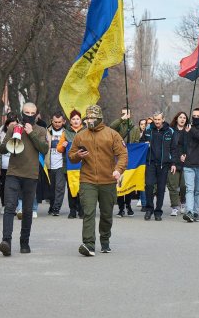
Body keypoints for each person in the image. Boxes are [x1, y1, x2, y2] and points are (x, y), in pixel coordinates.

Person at [69, 105, 128, 256]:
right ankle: (88, 244)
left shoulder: (112, 134)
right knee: (88, 212)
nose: (89, 121)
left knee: (106, 214)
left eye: (93, 118)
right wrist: (78, 156)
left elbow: (123, 154)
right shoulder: (81, 135)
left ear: (100, 118)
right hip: (87, 180)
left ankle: (105, 239)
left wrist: (118, 170)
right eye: (88, 118)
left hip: (108, 180)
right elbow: (71, 155)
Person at [0, 102, 49, 256]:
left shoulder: (40, 130)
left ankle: (24, 242)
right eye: (26, 112)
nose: (29, 115)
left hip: (31, 175)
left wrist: (31, 133)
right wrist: (14, 138)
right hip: (13, 173)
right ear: (22, 112)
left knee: (27, 210)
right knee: (10, 207)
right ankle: (6, 241)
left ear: (36, 114)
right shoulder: (13, 127)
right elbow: (1, 149)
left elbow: (44, 148)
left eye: (32, 112)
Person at [140, 111, 176, 221]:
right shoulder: (148, 130)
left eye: (159, 119)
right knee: (149, 186)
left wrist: (173, 163)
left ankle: (158, 211)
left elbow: (174, 148)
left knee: (161, 189)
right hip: (150, 163)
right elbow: (141, 144)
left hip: (163, 164)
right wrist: (144, 143)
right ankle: (149, 209)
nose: (157, 122)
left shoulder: (170, 131)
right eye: (155, 119)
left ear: (163, 119)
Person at [182, 108, 199, 223]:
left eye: (198, 116)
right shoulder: (187, 128)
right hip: (189, 163)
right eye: (194, 115)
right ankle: (189, 211)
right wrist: (182, 154)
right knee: (189, 189)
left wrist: (191, 130)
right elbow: (181, 143)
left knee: (198, 190)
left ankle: (195, 212)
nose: (196, 117)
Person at [111, 107, 140, 217]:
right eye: (122, 114)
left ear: (130, 114)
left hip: (131, 159)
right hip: (118, 158)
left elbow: (136, 144)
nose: (125, 115)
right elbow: (111, 127)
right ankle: (120, 208)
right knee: (119, 183)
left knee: (128, 183)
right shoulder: (118, 126)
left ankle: (128, 205)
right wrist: (121, 120)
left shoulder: (135, 128)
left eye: (126, 113)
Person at [56, 109, 86, 219]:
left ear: (81, 120)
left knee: (82, 188)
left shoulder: (86, 131)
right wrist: (63, 145)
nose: (76, 121)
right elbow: (58, 149)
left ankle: (82, 210)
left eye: (78, 119)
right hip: (69, 166)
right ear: (70, 121)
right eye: (73, 119)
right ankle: (72, 210)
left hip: (84, 165)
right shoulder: (65, 132)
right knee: (71, 188)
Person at [45, 112, 67, 216]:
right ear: (51, 121)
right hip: (49, 164)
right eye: (55, 122)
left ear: (63, 122)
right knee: (51, 188)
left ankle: (56, 208)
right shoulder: (46, 131)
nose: (57, 124)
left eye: (59, 122)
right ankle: (52, 205)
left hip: (61, 165)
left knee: (59, 187)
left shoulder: (67, 132)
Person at [167, 111, 188, 215]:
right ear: (176, 119)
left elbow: (192, 147)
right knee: (173, 185)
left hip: (186, 163)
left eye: (184, 118)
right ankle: (174, 206)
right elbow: (169, 148)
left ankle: (183, 202)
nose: (182, 119)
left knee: (184, 185)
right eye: (180, 117)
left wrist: (186, 154)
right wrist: (172, 163)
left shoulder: (188, 131)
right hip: (173, 162)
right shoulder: (171, 131)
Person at [0, 112, 18, 214]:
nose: (12, 126)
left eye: (15, 124)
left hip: (15, 165)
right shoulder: (1, 131)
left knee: (15, 187)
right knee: (4, 186)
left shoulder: (20, 131)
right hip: (4, 164)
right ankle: (4, 204)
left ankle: (14, 205)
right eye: (10, 124)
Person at [136, 118, 148, 209]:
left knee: (147, 183)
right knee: (141, 182)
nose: (143, 126)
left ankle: (145, 202)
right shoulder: (136, 134)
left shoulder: (149, 134)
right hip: (139, 161)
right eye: (141, 124)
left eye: (145, 124)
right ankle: (143, 201)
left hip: (148, 161)